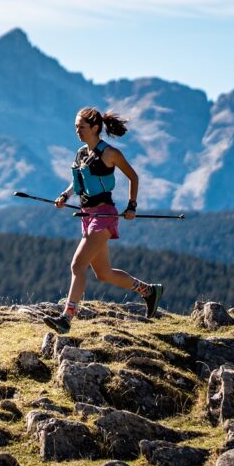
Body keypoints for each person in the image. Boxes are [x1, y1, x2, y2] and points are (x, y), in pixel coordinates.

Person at [44, 107, 163, 333]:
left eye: (81, 127)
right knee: (104, 273)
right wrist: (65, 195)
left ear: (95, 127)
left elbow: (133, 177)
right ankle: (148, 291)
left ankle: (67, 318)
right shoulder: (80, 153)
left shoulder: (110, 153)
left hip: (105, 216)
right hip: (87, 217)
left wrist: (132, 206)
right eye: (76, 127)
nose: (77, 131)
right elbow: (78, 180)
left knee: (77, 265)